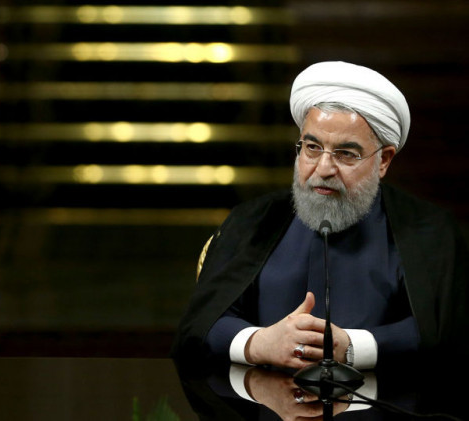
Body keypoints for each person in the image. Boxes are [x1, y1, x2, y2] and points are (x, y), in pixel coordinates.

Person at [173, 61, 469, 370]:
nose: (324, 168)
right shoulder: (252, 221)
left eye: (346, 154)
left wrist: (352, 347)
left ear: (384, 160)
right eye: (312, 147)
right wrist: (259, 343)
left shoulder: (429, 231)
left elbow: (447, 333)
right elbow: (200, 325)